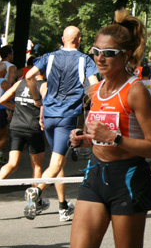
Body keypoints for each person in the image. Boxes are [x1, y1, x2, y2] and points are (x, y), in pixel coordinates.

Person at [68, 10, 151, 248]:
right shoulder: (94, 91)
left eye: (109, 53)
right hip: (95, 173)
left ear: (126, 55)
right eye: (96, 51)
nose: (100, 58)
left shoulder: (136, 91)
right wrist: (85, 139)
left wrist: (114, 138)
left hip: (128, 178)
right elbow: (99, 136)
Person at [23, 25, 99, 221]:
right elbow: (95, 85)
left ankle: (63, 205)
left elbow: (29, 76)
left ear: (63, 39)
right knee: (57, 161)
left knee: (58, 160)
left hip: (48, 114)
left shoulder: (49, 57)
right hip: (67, 117)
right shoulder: (85, 60)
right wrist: (88, 105)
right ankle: (36, 191)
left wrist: (37, 100)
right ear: (79, 40)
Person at [0, 70, 49, 212]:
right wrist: (41, 119)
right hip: (33, 128)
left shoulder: (20, 83)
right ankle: (33, 202)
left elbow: (2, 100)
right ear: (44, 72)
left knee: (12, 163)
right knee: (37, 166)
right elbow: (45, 103)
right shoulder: (43, 85)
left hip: (16, 126)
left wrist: (17, 108)